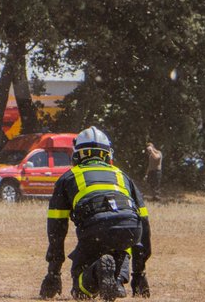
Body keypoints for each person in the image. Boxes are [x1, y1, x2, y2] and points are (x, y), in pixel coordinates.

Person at [39, 127, 153, 300]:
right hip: (130, 230)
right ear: (108, 155)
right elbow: (143, 222)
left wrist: (53, 273)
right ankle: (117, 281)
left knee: (80, 288)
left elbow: (57, 229)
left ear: (77, 155)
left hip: (96, 229)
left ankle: (96, 273)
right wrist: (139, 274)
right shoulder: (123, 176)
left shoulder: (68, 177)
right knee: (123, 237)